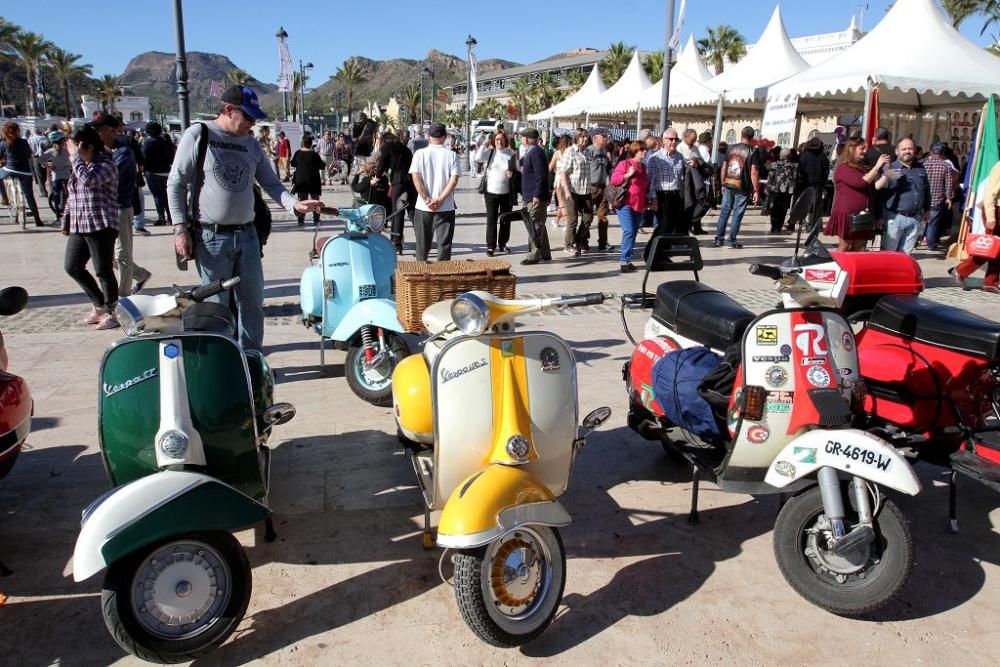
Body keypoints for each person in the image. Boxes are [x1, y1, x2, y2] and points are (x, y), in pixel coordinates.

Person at [167, 85, 323, 351]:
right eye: (249, 117)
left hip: (248, 236)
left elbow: (272, 184)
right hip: (211, 237)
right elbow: (176, 183)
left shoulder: (251, 144)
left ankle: (251, 359)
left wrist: (295, 205)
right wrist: (180, 229)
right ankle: (224, 364)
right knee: (216, 307)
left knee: (252, 304)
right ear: (229, 110)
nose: (253, 123)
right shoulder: (200, 134)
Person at [61, 125, 121, 330]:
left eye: (78, 148)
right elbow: (73, 193)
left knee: (103, 270)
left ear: (87, 146)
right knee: (72, 266)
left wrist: (76, 159)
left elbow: (88, 182)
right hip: (80, 224)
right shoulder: (79, 166)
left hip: (101, 224)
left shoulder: (105, 165)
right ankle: (99, 304)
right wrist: (66, 219)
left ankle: (113, 311)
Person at [91, 113, 152, 297]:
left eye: (99, 129)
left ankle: (122, 299)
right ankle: (141, 274)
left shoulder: (123, 152)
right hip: (102, 209)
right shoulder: (99, 152)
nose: (96, 133)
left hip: (120, 208)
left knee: (122, 255)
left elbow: (106, 178)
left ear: (111, 130)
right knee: (107, 256)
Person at [823, 138, 891, 251]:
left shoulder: (860, 168)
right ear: (851, 149)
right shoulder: (843, 167)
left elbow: (873, 187)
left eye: (865, 148)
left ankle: (851, 267)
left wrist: (886, 175)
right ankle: (839, 266)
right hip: (848, 215)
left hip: (862, 215)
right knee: (845, 245)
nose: (865, 151)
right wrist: (877, 166)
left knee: (859, 245)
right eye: (862, 148)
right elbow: (860, 183)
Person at [408, 122, 461, 262]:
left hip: (423, 207)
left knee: (422, 245)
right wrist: (440, 199)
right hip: (446, 207)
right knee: (444, 246)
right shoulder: (452, 155)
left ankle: (420, 277)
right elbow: (454, 180)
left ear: (428, 136)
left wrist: (426, 199)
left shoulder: (419, 154)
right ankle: (441, 279)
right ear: (445, 137)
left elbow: (416, 178)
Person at [952, 161, 1000, 293]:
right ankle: (960, 271)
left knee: (998, 251)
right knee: (991, 248)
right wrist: (991, 217)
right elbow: (990, 194)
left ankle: (991, 281)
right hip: (995, 210)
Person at [879, 138, 930, 254]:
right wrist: (879, 217)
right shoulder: (890, 168)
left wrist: (927, 209)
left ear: (915, 150)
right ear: (897, 151)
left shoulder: (921, 168)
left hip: (915, 219)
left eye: (910, 149)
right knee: (889, 254)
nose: (907, 151)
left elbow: (926, 190)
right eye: (904, 149)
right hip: (895, 218)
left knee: (905, 256)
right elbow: (880, 194)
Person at [714, 126, 760, 248]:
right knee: (737, 214)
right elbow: (754, 172)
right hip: (743, 186)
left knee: (724, 212)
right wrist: (756, 190)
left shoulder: (730, 148)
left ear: (741, 134)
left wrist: (723, 182)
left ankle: (719, 239)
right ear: (752, 137)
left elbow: (724, 167)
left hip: (729, 183)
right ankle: (732, 240)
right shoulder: (753, 151)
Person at [610, 140, 652, 273]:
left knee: (633, 232)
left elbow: (644, 187)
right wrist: (628, 174)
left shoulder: (644, 167)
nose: (645, 151)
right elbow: (614, 180)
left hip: (638, 205)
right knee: (628, 230)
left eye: (645, 149)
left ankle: (627, 259)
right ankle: (623, 260)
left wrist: (649, 202)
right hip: (624, 203)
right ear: (635, 151)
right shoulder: (625, 164)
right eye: (642, 149)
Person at [376, 131, 415, 254]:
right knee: (413, 213)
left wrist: (376, 177)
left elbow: (382, 164)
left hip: (398, 184)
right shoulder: (406, 149)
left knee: (398, 213)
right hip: (411, 183)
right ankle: (422, 241)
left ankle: (396, 244)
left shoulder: (387, 147)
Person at [0, 122, 44, 226]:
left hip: (10, 170)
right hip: (26, 172)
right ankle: (37, 219)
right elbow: (29, 155)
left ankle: (4, 197)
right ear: (18, 131)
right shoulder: (24, 142)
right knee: (30, 195)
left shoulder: (3, 143)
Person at [557, 128, 594, 255]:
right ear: (576, 137)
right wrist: (566, 191)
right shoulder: (570, 152)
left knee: (588, 217)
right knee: (573, 219)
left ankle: (579, 240)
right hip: (571, 189)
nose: (585, 139)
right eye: (582, 137)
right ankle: (568, 244)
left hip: (586, 189)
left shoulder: (587, 152)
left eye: (586, 137)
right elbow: (563, 173)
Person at [518, 128, 552, 265]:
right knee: (539, 224)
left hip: (535, 197)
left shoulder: (536, 152)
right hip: (531, 195)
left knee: (534, 225)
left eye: (521, 138)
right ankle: (545, 253)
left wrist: (537, 194)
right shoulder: (532, 152)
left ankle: (533, 255)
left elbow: (542, 176)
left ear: (526, 139)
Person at [480, 131, 516, 256]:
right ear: (493, 141)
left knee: (505, 220)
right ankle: (491, 246)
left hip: (506, 193)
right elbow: (478, 157)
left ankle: (503, 244)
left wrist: (513, 174)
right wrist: (484, 143)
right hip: (491, 192)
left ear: (505, 141)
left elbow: (517, 169)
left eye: (501, 139)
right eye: (497, 140)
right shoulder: (490, 153)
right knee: (491, 220)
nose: (499, 142)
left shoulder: (510, 154)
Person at [647, 128, 686, 235]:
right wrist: (653, 199)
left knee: (673, 225)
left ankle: (666, 248)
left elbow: (681, 177)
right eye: (671, 139)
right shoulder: (654, 158)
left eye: (676, 139)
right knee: (665, 224)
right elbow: (651, 181)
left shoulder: (680, 157)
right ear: (663, 141)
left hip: (676, 194)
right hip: (662, 195)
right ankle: (653, 248)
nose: (674, 142)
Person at [923, 142, 957, 251]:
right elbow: (949, 183)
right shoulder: (946, 166)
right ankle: (931, 243)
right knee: (933, 222)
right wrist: (949, 197)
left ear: (930, 152)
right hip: (937, 199)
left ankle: (919, 240)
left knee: (921, 221)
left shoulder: (923, 164)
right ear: (942, 153)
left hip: (923, 198)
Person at [141, 121, 175, 226]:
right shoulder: (166, 142)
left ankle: (161, 218)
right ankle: (171, 217)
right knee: (167, 195)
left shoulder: (147, 143)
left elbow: (143, 158)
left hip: (152, 172)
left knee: (157, 195)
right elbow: (172, 156)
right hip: (166, 171)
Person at [585, 128, 614, 252]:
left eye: (605, 136)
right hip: (591, 187)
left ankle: (603, 242)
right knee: (588, 216)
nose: (605, 138)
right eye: (603, 136)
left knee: (603, 217)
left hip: (603, 187)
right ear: (595, 138)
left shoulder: (605, 151)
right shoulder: (589, 151)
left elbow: (608, 169)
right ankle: (582, 241)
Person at [291, 134, 325, 226]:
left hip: (301, 182)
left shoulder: (298, 153)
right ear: (311, 144)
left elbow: (293, 164)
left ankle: (301, 219)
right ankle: (316, 219)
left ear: (302, 143)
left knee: (302, 200)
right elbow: (322, 166)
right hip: (313, 181)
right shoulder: (314, 154)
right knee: (315, 200)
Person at [797, 137, 830, 232]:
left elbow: (800, 169)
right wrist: (823, 182)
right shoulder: (823, 157)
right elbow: (826, 171)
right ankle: (815, 225)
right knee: (817, 204)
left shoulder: (804, 155)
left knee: (805, 203)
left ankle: (803, 222)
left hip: (806, 183)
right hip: (818, 184)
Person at [42, 131, 72, 223]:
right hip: (67, 174)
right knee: (70, 194)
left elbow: (41, 160)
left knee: (56, 194)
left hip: (56, 176)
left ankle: (57, 215)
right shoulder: (67, 150)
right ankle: (70, 213)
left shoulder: (50, 151)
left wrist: (50, 165)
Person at [765, 148, 797, 233]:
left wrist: (768, 187)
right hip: (786, 190)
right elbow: (794, 179)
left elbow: (770, 177)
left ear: (781, 155)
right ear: (789, 156)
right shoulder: (793, 166)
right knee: (783, 208)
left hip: (775, 189)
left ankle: (774, 226)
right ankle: (779, 226)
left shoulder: (774, 164)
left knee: (774, 207)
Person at [27, 128, 50, 197]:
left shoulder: (30, 139)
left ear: (33, 132)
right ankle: (44, 183)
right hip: (45, 157)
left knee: (39, 175)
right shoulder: (44, 138)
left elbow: (29, 149)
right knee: (44, 172)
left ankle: (43, 191)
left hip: (36, 158)